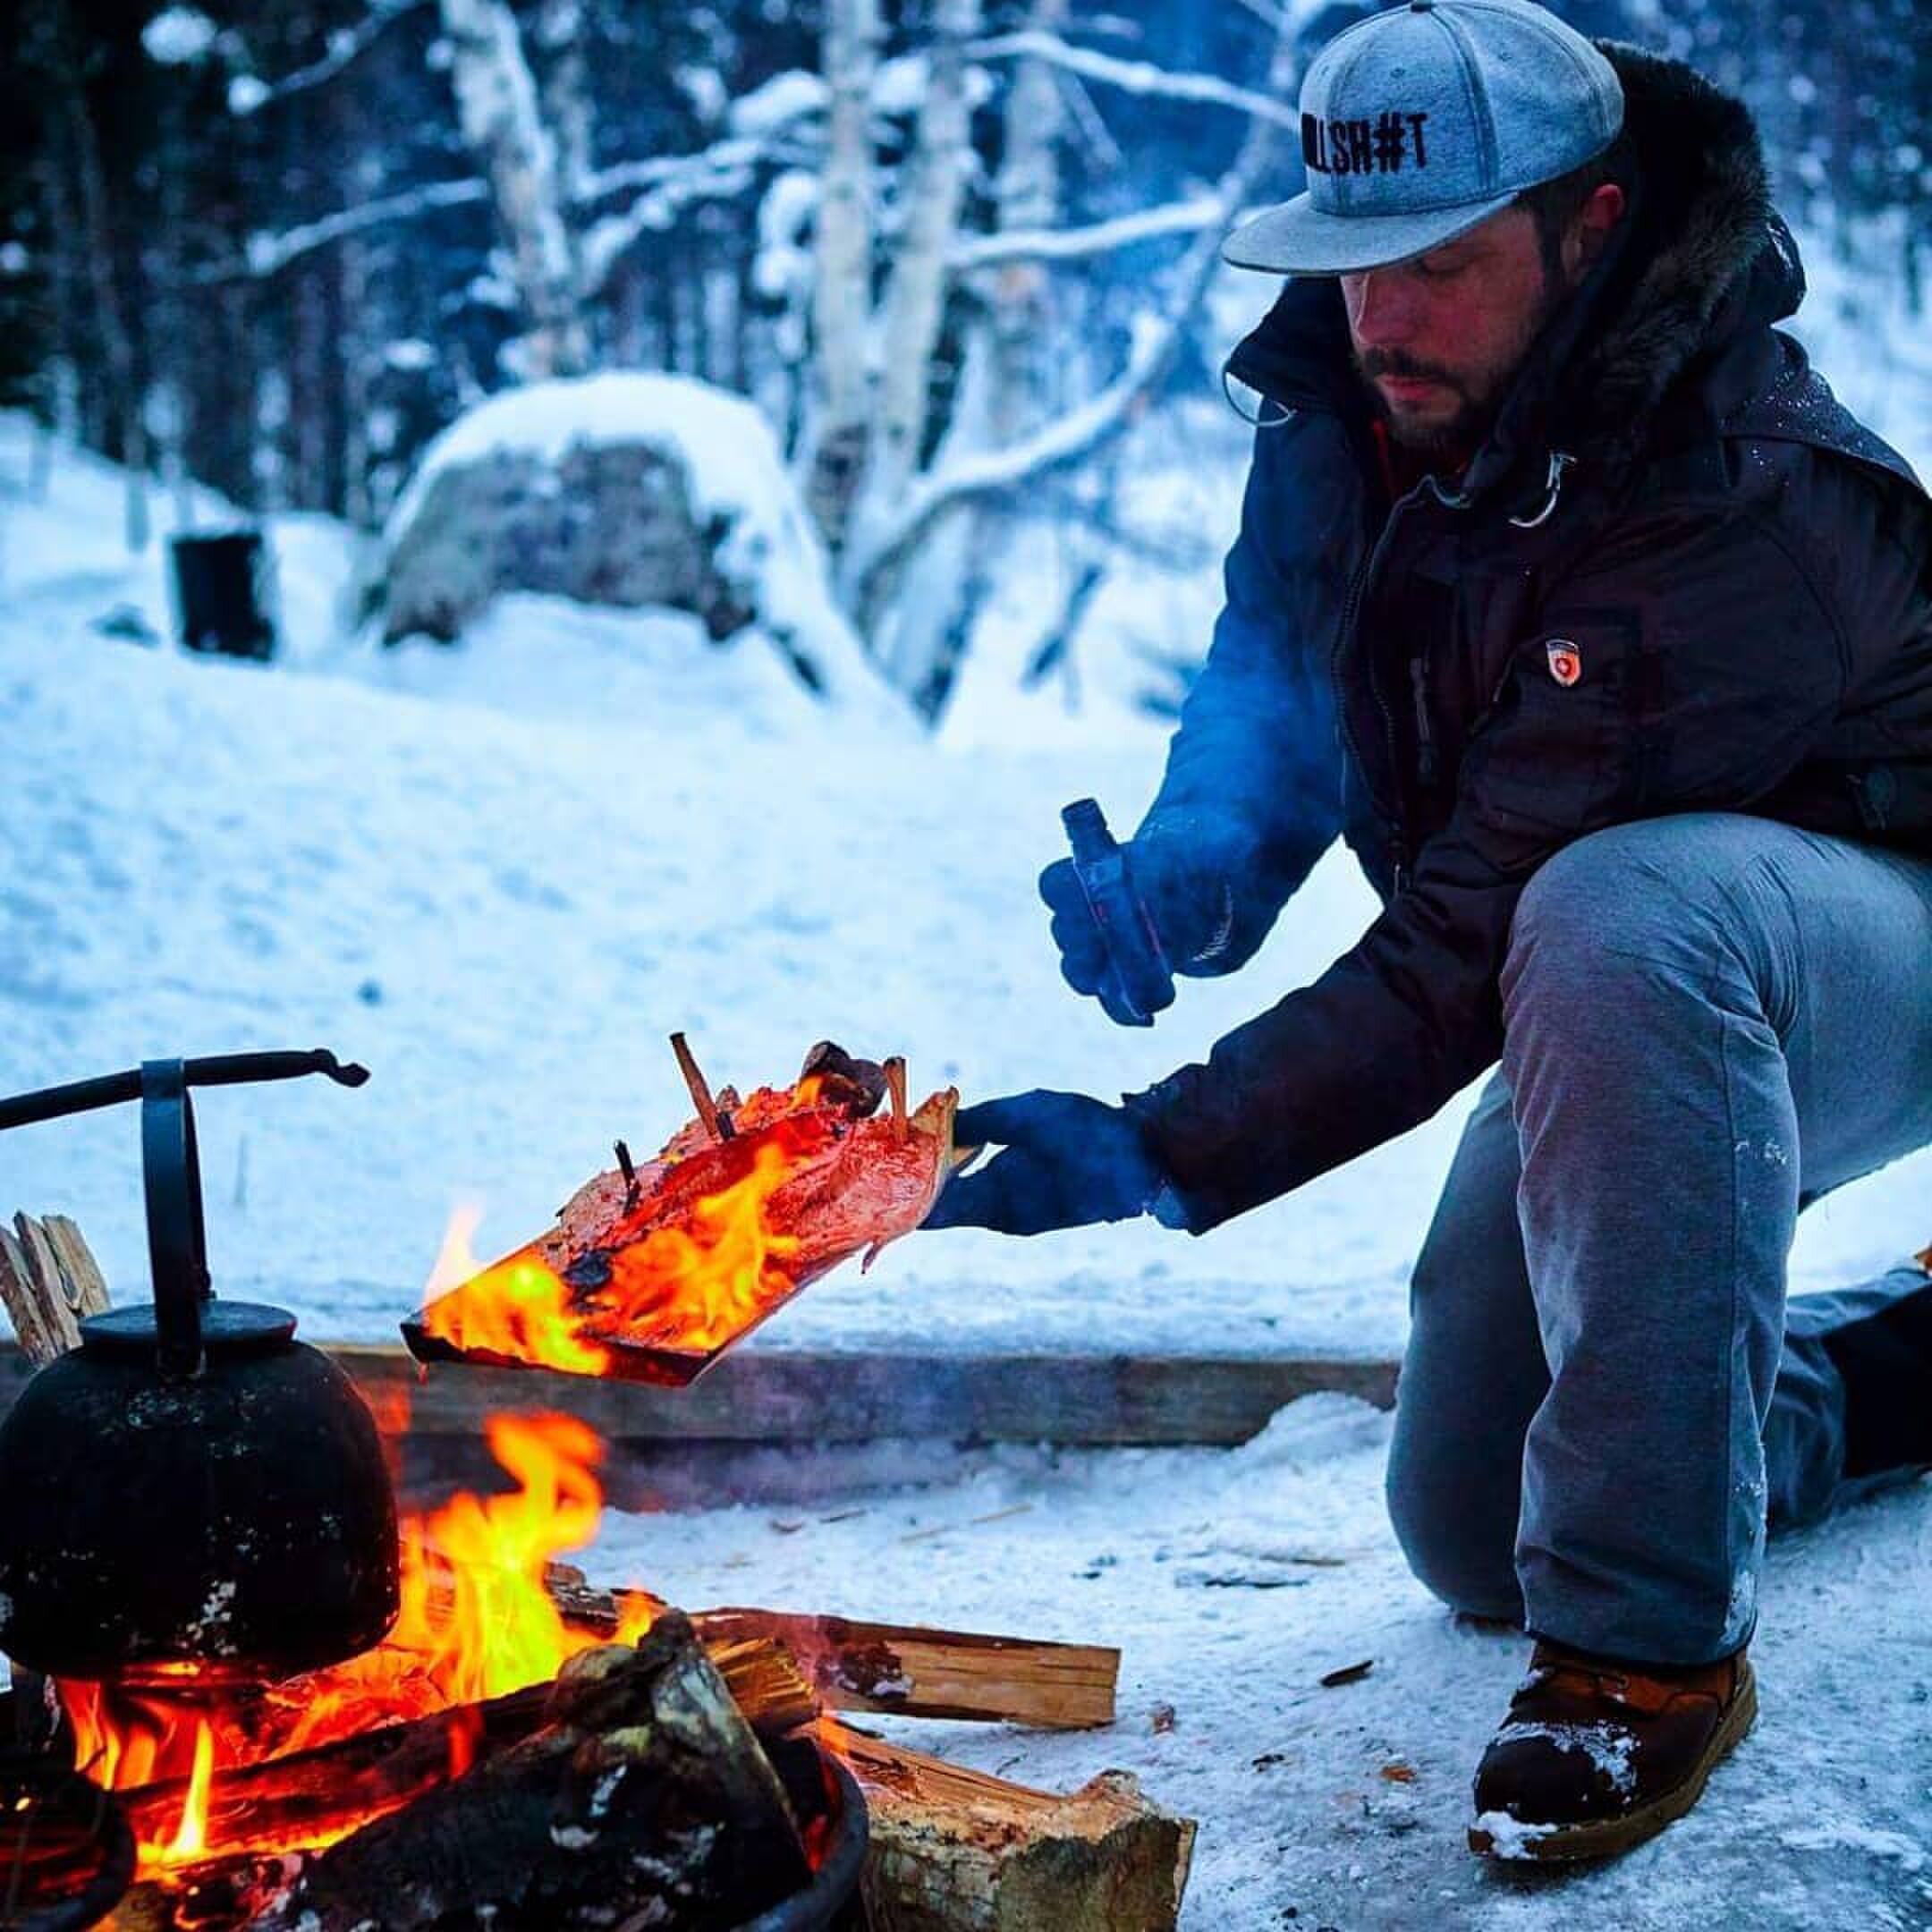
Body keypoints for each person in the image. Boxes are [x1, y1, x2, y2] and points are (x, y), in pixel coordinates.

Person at [922, 0, 1932, 1863]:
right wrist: (1191, 873)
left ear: (1594, 220)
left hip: (1861, 939)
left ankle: (1650, 1662)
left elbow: (1475, 935)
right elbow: (1281, 677)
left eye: (1441, 269)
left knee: (1621, 912)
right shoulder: (1351, 399)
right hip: (1613, 979)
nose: (1381, 317)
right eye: (1353, 263)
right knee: (1478, 1525)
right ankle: (1889, 1381)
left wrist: (1164, 1143)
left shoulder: (1734, 491)